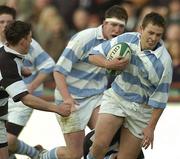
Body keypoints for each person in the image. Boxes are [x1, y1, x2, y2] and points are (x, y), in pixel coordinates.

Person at [87, 12, 173, 159]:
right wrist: (109, 63)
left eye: (158, 35)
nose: (153, 38)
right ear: (141, 29)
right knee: (100, 144)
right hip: (117, 98)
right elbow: (93, 54)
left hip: (141, 110)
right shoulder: (126, 39)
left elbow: (160, 100)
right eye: (150, 32)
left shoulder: (164, 62)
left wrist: (151, 127)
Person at [53, 5, 129, 159]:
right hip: (71, 98)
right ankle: (41, 156)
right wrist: (67, 98)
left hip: (96, 98)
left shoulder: (120, 44)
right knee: (74, 154)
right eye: (113, 25)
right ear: (104, 23)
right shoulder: (84, 38)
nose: (117, 30)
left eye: (121, 26)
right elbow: (58, 71)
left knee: (107, 139)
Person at [0, 20, 71, 159]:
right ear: (23, 42)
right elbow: (26, 99)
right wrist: (57, 108)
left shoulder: (7, 53)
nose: (32, 42)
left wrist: (22, 70)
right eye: (30, 38)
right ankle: (37, 155)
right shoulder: (7, 64)